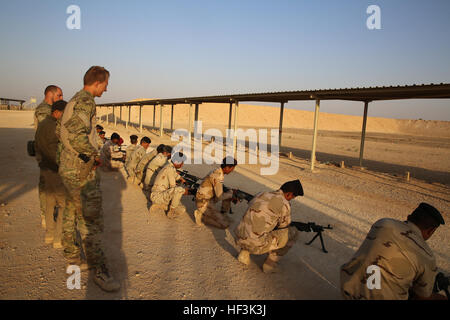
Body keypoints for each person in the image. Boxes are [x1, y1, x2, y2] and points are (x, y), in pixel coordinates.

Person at [58, 66, 120, 292]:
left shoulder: (73, 100)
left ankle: (73, 257)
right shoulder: (86, 101)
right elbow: (76, 136)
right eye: (105, 84)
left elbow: (60, 132)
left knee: (71, 212)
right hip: (80, 171)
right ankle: (99, 271)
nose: (107, 88)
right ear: (97, 82)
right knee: (93, 221)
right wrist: (94, 157)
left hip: (68, 167)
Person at [340, 203, 447, 300]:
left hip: (349, 290)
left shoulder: (383, 222)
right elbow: (422, 297)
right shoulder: (428, 256)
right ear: (431, 230)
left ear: (409, 217)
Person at [234, 180, 304, 273]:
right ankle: (269, 265)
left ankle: (244, 253)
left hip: (239, 237)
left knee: (254, 225)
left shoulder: (262, 193)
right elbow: (283, 228)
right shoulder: (284, 204)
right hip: (255, 244)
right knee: (293, 233)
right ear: (289, 194)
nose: (291, 199)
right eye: (292, 197)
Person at [35, 100, 67, 248]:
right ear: (57, 112)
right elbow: (55, 150)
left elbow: (36, 146)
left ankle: (49, 234)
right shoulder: (54, 126)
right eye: (64, 113)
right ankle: (58, 238)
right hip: (54, 169)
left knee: (49, 203)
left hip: (45, 168)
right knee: (63, 204)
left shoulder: (42, 124)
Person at [194, 157, 237, 229]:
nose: (232, 170)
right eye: (232, 168)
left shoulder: (217, 170)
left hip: (207, 197)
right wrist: (232, 194)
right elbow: (219, 196)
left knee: (229, 192)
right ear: (227, 167)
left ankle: (223, 213)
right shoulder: (218, 176)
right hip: (203, 202)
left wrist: (230, 192)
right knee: (224, 225)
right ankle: (201, 216)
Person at [150, 152, 189, 218]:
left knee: (182, 208)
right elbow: (173, 187)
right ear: (177, 162)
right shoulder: (170, 169)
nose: (182, 164)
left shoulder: (169, 167)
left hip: (158, 194)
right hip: (158, 196)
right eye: (182, 162)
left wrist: (182, 179)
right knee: (179, 190)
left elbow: (176, 176)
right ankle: (171, 212)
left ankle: (160, 206)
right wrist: (186, 191)